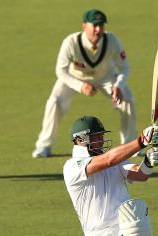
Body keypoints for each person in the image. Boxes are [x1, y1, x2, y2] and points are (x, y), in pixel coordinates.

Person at [32, 9, 138, 158]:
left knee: (127, 99)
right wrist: (81, 86)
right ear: (84, 26)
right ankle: (44, 145)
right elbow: (61, 71)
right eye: (94, 25)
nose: (98, 29)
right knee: (54, 102)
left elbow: (125, 67)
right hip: (75, 77)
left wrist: (118, 85)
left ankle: (130, 145)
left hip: (106, 77)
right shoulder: (71, 42)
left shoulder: (112, 41)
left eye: (101, 25)